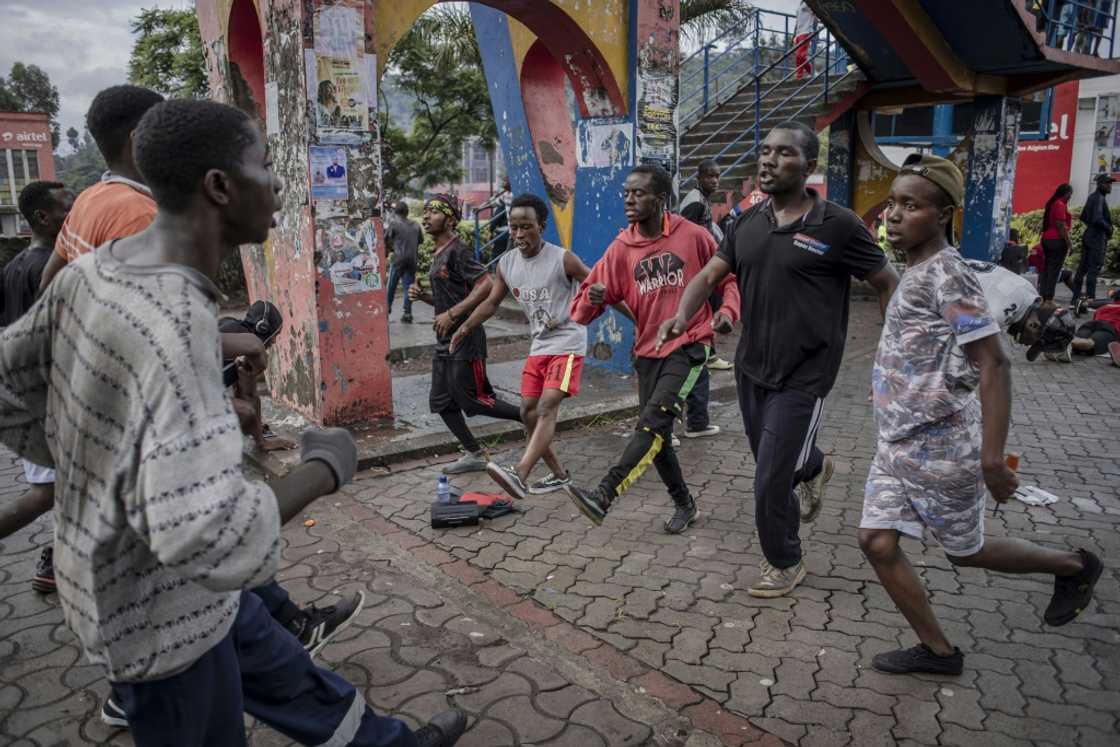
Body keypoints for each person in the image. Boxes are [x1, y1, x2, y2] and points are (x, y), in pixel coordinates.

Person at [0, 98, 465, 746]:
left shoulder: (95, 271)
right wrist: (325, 465)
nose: (279, 187)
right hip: (154, 620)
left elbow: (13, 388)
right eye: (266, 167)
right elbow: (217, 535)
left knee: (287, 672)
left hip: (182, 587)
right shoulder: (177, 323)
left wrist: (110, 456)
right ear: (220, 186)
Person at [856, 153, 1101, 676]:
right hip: (897, 442)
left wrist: (993, 459)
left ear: (944, 214)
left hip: (942, 445)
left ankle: (1074, 566)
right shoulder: (917, 271)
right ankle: (939, 652)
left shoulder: (949, 275)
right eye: (892, 203)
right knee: (876, 540)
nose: (893, 215)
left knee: (965, 552)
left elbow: (994, 361)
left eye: (911, 206)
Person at [659, 122, 899, 597]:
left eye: (784, 153)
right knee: (777, 464)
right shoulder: (746, 223)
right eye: (766, 151)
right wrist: (682, 315)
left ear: (809, 165)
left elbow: (888, 282)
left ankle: (785, 560)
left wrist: (891, 355)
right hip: (752, 367)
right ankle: (814, 466)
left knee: (769, 477)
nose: (769, 160)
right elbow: (708, 276)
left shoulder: (838, 225)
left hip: (806, 373)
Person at [564, 164, 741, 535]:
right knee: (657, 437)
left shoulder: (694, 236)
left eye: (639, 193)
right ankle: (685, 504)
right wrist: (595, 299)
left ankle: (604, 494)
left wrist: (727, 311)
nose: (629, 200)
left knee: (652, 423)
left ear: (660, 199)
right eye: (626, 193)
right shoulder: (620, 249)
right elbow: (580, 311)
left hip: (690, 345)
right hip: (647, 352)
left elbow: (727, 278)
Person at [451, 193, 630, 498]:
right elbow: (492, 302)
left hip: (568, 342)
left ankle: (520, 474)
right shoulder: (507, 264)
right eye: (514, 227)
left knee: (547, 406)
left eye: (526, 227)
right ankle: (559, 475)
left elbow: (604, 290)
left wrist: (640, 320)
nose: (519, 234)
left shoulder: (563, 259)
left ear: (542, 227)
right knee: (527, 412)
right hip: (539, 346)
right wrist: (465, 326)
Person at [408, 194, 523, 474]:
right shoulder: (439, 253)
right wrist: (425, 297)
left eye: (434, 212)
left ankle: (529, 417)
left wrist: (452, 314)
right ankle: (475, 453)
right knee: (442, 401)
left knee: (472, 399)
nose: (426, 216)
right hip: (445, 340)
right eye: (425, 211)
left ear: (450, 220)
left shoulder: (457, 250)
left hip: (466, 337)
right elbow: (451, 298)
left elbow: (486, 284)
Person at [0, 181, 74, 594]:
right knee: (47, 493)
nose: (74, 215)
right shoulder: (50, 268)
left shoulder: (14, 267)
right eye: (67, 208)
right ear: (43, 218)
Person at [39, 85, 165, 292]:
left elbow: (47, 283)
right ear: (139, 141)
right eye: (167, 131)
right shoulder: (140, 216)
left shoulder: (87, 199)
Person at [678, 159, 732, 440]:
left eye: (717, 176)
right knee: (694, 352)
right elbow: (687, 238)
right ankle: (680, 418)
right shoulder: (695, 203)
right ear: (698, 177)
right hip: (697, 275)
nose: (715, 181)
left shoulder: (702, 200)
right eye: (710, 176)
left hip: (703, 272)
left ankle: (709, 354)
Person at [1071, 174, 1114, 308]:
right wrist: (1109, 228)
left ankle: (1075, 299)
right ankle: (1091, 301)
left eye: (1110, 184)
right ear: (1100, 184)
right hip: (1097, 238)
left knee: (1082, 268)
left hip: (1089, 235)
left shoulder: (1092, 197)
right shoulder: (1099, 198)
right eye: (1107, 184)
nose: (1110, 186)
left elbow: (1084, 217)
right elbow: (1097, 218)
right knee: (1093, 269)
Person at [384, 200, 421, 323]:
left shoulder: (394, 224)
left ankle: (387, 309)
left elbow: (385, 239)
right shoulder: (416, 225)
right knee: (408, 287)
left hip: (398, 259)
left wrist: (391, 249)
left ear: (395, 212)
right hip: (412, 260)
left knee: (391, 285)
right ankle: (407, 313)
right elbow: (420, 240)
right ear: (407, 212)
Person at [1039, 183, 1074, 303]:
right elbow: (1060, 226)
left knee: (1048, 269)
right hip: (1057, 241)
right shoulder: (1060, 204)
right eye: (1070, 194)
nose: (1070, 197)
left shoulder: (1053, 203)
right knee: (1054, 271)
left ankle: (1043, 296)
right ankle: (1049, 298)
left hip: (1047, 239)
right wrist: (1069, 244)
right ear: (1066, 193)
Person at [793, 2, 815, 80]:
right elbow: (797, 21)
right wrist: (795, 35)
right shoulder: (800, 4)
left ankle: (799, 76)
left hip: (806, 31)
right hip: (799, 33)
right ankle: (811, 73)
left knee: (800, 55)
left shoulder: (810, 4)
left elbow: (816, 14)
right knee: (798, 56)